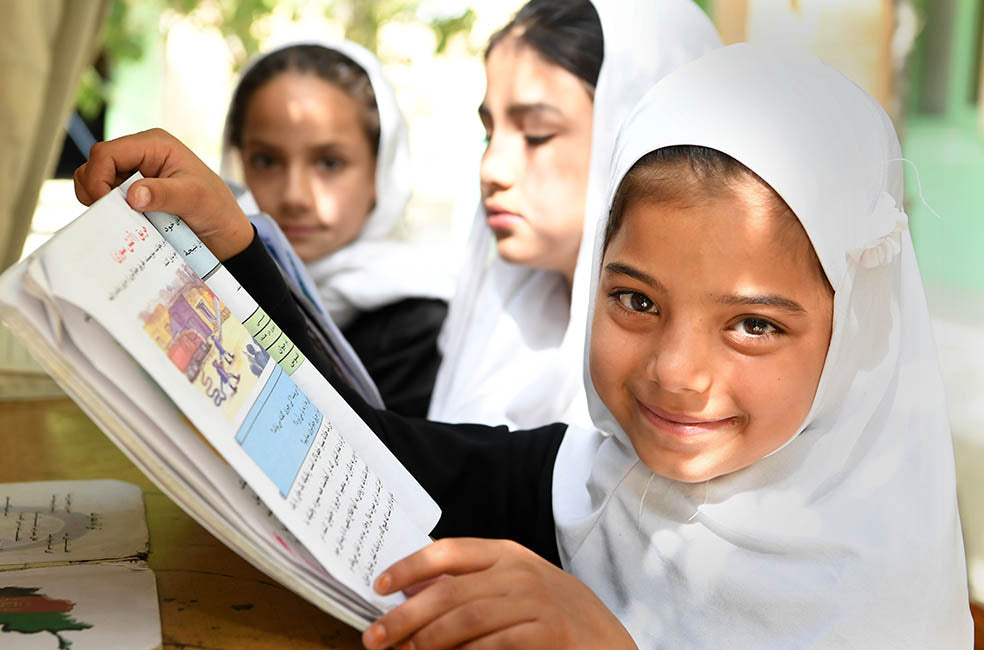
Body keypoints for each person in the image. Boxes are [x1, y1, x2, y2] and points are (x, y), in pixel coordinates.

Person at [75, 43, 971, 648]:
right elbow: (350, 456)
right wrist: (233, 251)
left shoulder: (879, 591)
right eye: (633, 300)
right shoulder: (590, 484)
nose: (676, 372)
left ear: (855, 331)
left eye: (755, 325)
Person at [428, 0, 720, 429]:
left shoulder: (687, 381)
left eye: (536, 135)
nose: (491, 169)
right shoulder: (496, 329)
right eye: (489, 133)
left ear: (632, 132)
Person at [221, 39, 452, 417]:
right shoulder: (215, 286)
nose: (294, 196)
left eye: (329, 163)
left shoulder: (418, 323)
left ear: (379, 171)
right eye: (266, 160)